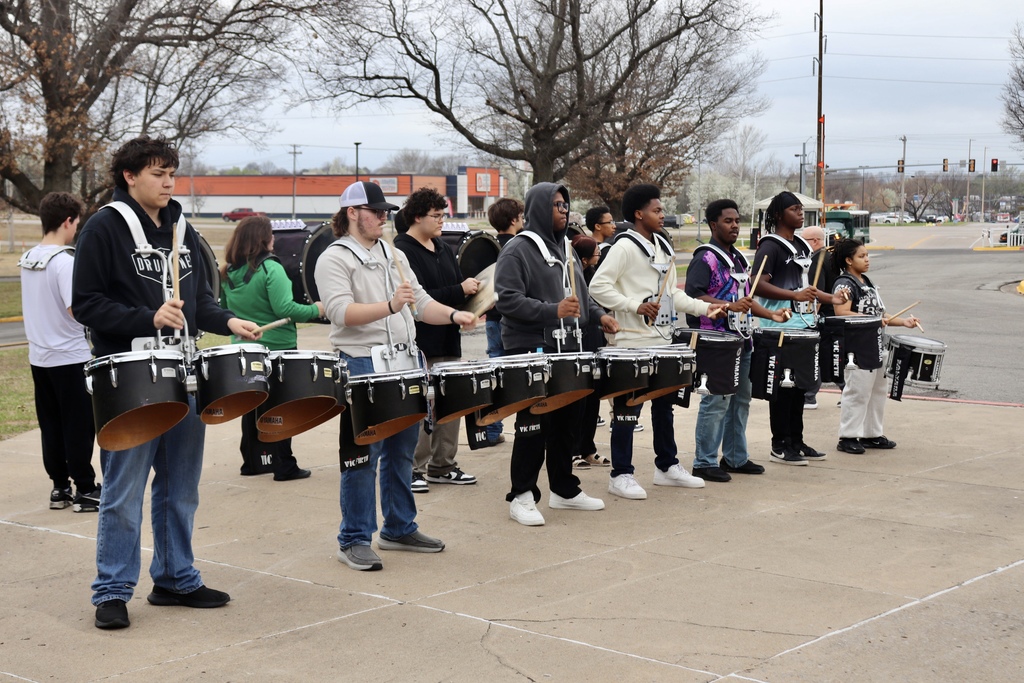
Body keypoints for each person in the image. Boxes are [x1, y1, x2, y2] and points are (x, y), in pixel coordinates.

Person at [73, 135, 262, 630]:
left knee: (180, 488)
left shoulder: (183, 227)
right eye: (157, 173)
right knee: (123, 490)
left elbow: (198, 300)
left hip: (186, 376)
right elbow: (86, 303)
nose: (168, 182)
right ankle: (112, 590)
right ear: (130, 176)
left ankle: (176, 578)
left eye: (171, 172)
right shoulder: (103, 228)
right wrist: (146, 317)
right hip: (130, 377)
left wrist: (229, 322)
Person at [315, 181, 478, 571]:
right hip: (361, 363)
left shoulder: (390, 251)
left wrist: (456, 315)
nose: (384, 217)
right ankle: (353, 538)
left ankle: (399, 527)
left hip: (404, 362)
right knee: (362, 456)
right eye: (375, 211)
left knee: (401, 452)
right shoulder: (334, 258)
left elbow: (419, 303)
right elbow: (340, 313)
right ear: (352, 213)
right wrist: (390, 305)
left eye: (386, 210)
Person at [589, 183, 724, 500]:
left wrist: (706, 308)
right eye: (657, 210)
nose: (663, 215)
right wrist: (634, 306)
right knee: (626, 410)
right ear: (639, 214)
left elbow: (673, 293)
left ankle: (667, 467)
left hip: (662, 340)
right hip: (629, 343)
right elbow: (598, 287)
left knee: (665, 407)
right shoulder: (622, 248)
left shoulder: (663, 246)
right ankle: (620, 474)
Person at [494, 182, 618, 526]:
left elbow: (581, 295)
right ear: (538, 208)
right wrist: (553, 310)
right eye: (557, 205)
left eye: (566, 205)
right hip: (531, 346)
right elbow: (506, 299)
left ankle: (564, 489)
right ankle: (521, 495)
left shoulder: (565, 248)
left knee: (569, 422)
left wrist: (599, 314)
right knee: (534, 422)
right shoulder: (518, 249)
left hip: (571, 345)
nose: (564, 211)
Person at [685, 199, 791, 483]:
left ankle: (734, 457)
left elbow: (746, 298)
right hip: (715, 341)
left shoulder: (739, 258)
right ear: (713, 224)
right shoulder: (705, 257)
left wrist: (771, 313)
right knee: (716, 402)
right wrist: (727, 305)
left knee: (740, 401)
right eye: (728, 221)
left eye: (737, 220)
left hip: (742, 340)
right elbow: (692, 297)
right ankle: (703, 462)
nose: (734, 225)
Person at [220, 215, 324, 481]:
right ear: (263, 239)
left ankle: (253, 462)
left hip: (244, 349)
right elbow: (285, 309)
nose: (274, 240)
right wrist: (316, 309)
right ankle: (284, 465)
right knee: (280, 407)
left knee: (253, 404)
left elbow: (223, 311)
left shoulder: (228, 272)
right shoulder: (271, 268)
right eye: (271, 235)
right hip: (278, 348)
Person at [394, 187, 479, 493]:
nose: (442, 220)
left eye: (444, 214)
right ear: (417, 216)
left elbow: (453, 290)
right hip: (421, 342)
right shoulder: (402, 251)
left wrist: (471, 307)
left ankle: (443, 465)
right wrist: (460, 291)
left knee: (450, 402)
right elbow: (420, 301)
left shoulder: (441, 246)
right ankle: (413, 467)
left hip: (448, 338)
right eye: (437, 215)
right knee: (422, 406)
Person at [751, 192, 846, 466]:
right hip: (779, 327)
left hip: (804, 326)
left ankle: (796, 440)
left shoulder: (802, 245)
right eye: (795, 209)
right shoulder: (770, 246)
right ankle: (779, 445)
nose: (800, 213)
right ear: (780, 214)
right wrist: (793, 297)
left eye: (801, 209)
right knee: (782, 388)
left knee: (798, 388)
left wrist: (830, 298)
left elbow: (807, 289)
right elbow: (757, 284)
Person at [19, 192, 99, 512]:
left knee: (50, 424)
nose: (76, 230)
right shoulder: (64, 262)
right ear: (67, 221)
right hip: (70, 357)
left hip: (39, 358)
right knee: (78, 425)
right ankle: (86, 488)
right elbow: (75, 311)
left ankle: (59, 487)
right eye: (76, 224)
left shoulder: (29, 258)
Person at [830, 239, 919, 454]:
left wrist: (903, 321)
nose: (867, 259)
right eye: (862, 256)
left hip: (877, 343)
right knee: (857, 391)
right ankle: (848, 436)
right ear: (849, 260)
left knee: (878, 391)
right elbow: (841, 313)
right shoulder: (844, 284)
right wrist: (871, 320)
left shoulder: (866, 282)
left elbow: (881, 315)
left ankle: (872, 434)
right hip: (857, 347)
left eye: (867, 255)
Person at [482, 197, 524, 447]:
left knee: (493, 374)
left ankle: (490, 429)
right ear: (513, 219)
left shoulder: (487, 246)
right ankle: (525, 425)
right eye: (521, 215)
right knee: (520, 376)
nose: (523, 220)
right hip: (513, 321)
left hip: (491, 318)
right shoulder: (520, 246)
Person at [569, 234, 610, 469]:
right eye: (596, 252)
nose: (599, 255)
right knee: (578, 398)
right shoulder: (571, 277)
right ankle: (572, 450)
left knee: (594, 396)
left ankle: (588, 448)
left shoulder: (593, 276)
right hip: (578, 341)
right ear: (584, 258)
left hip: (594, 339)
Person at [798, 225, 833, 410]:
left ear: (815, 241)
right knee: (832, 356)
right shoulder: (831, 257)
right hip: (834, 315)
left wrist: (810, 318)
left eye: (804, 241)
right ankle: (848, 391)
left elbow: (816, 293)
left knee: (814, 356)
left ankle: (809, 396)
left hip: (823, 316)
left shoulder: (815, 261)